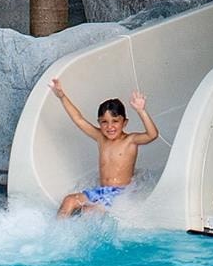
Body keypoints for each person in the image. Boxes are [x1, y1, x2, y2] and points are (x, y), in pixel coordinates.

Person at [49, 78, 159, 217]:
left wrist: (141, 111)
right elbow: (79, 119)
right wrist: (61, 96)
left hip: (120, 194)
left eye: (115, 121)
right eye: (104, 122)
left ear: (124, 123)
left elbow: (152, 135)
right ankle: (59, 233)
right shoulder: (101, 138)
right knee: (69, 201)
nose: (110, 127)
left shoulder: (130, 141)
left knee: (88, 212)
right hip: (102, 192)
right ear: (99, 123)